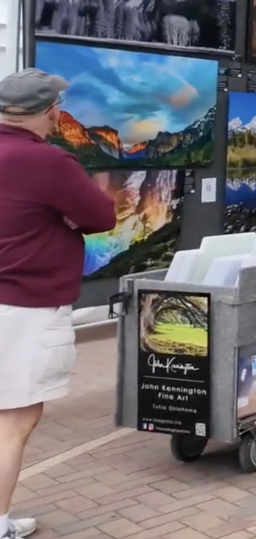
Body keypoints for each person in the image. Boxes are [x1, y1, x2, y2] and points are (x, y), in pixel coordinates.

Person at [0, 69, 117, 539]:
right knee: (16, 418)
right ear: (49, 112)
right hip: (25, 307)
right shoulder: (47, 163)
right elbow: (102, 216)